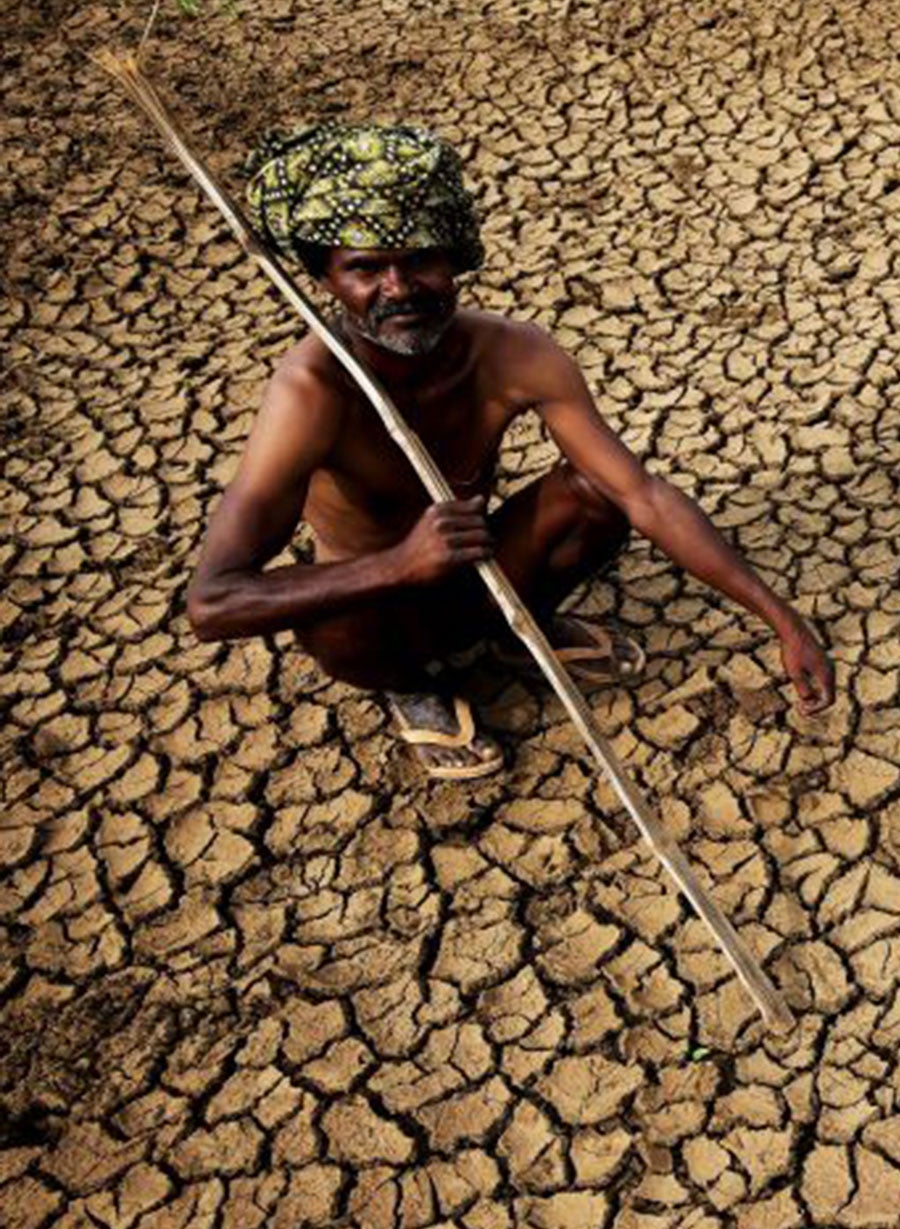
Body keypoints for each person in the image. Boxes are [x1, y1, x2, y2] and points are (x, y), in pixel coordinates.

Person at [185, 123, 835, 779]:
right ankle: (413, 687)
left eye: (421, 258)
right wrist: (399, 565)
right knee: (334, 622)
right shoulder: (312, 393)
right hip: (384, 614)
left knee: (594, 493)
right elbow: (212, 602)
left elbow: (644, 495)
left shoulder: (513, 354)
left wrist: (780, 619)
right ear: (325, 279)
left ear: (458, 257)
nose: (398, 287)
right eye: (364, 268)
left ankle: (512, 631)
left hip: (482, 570)